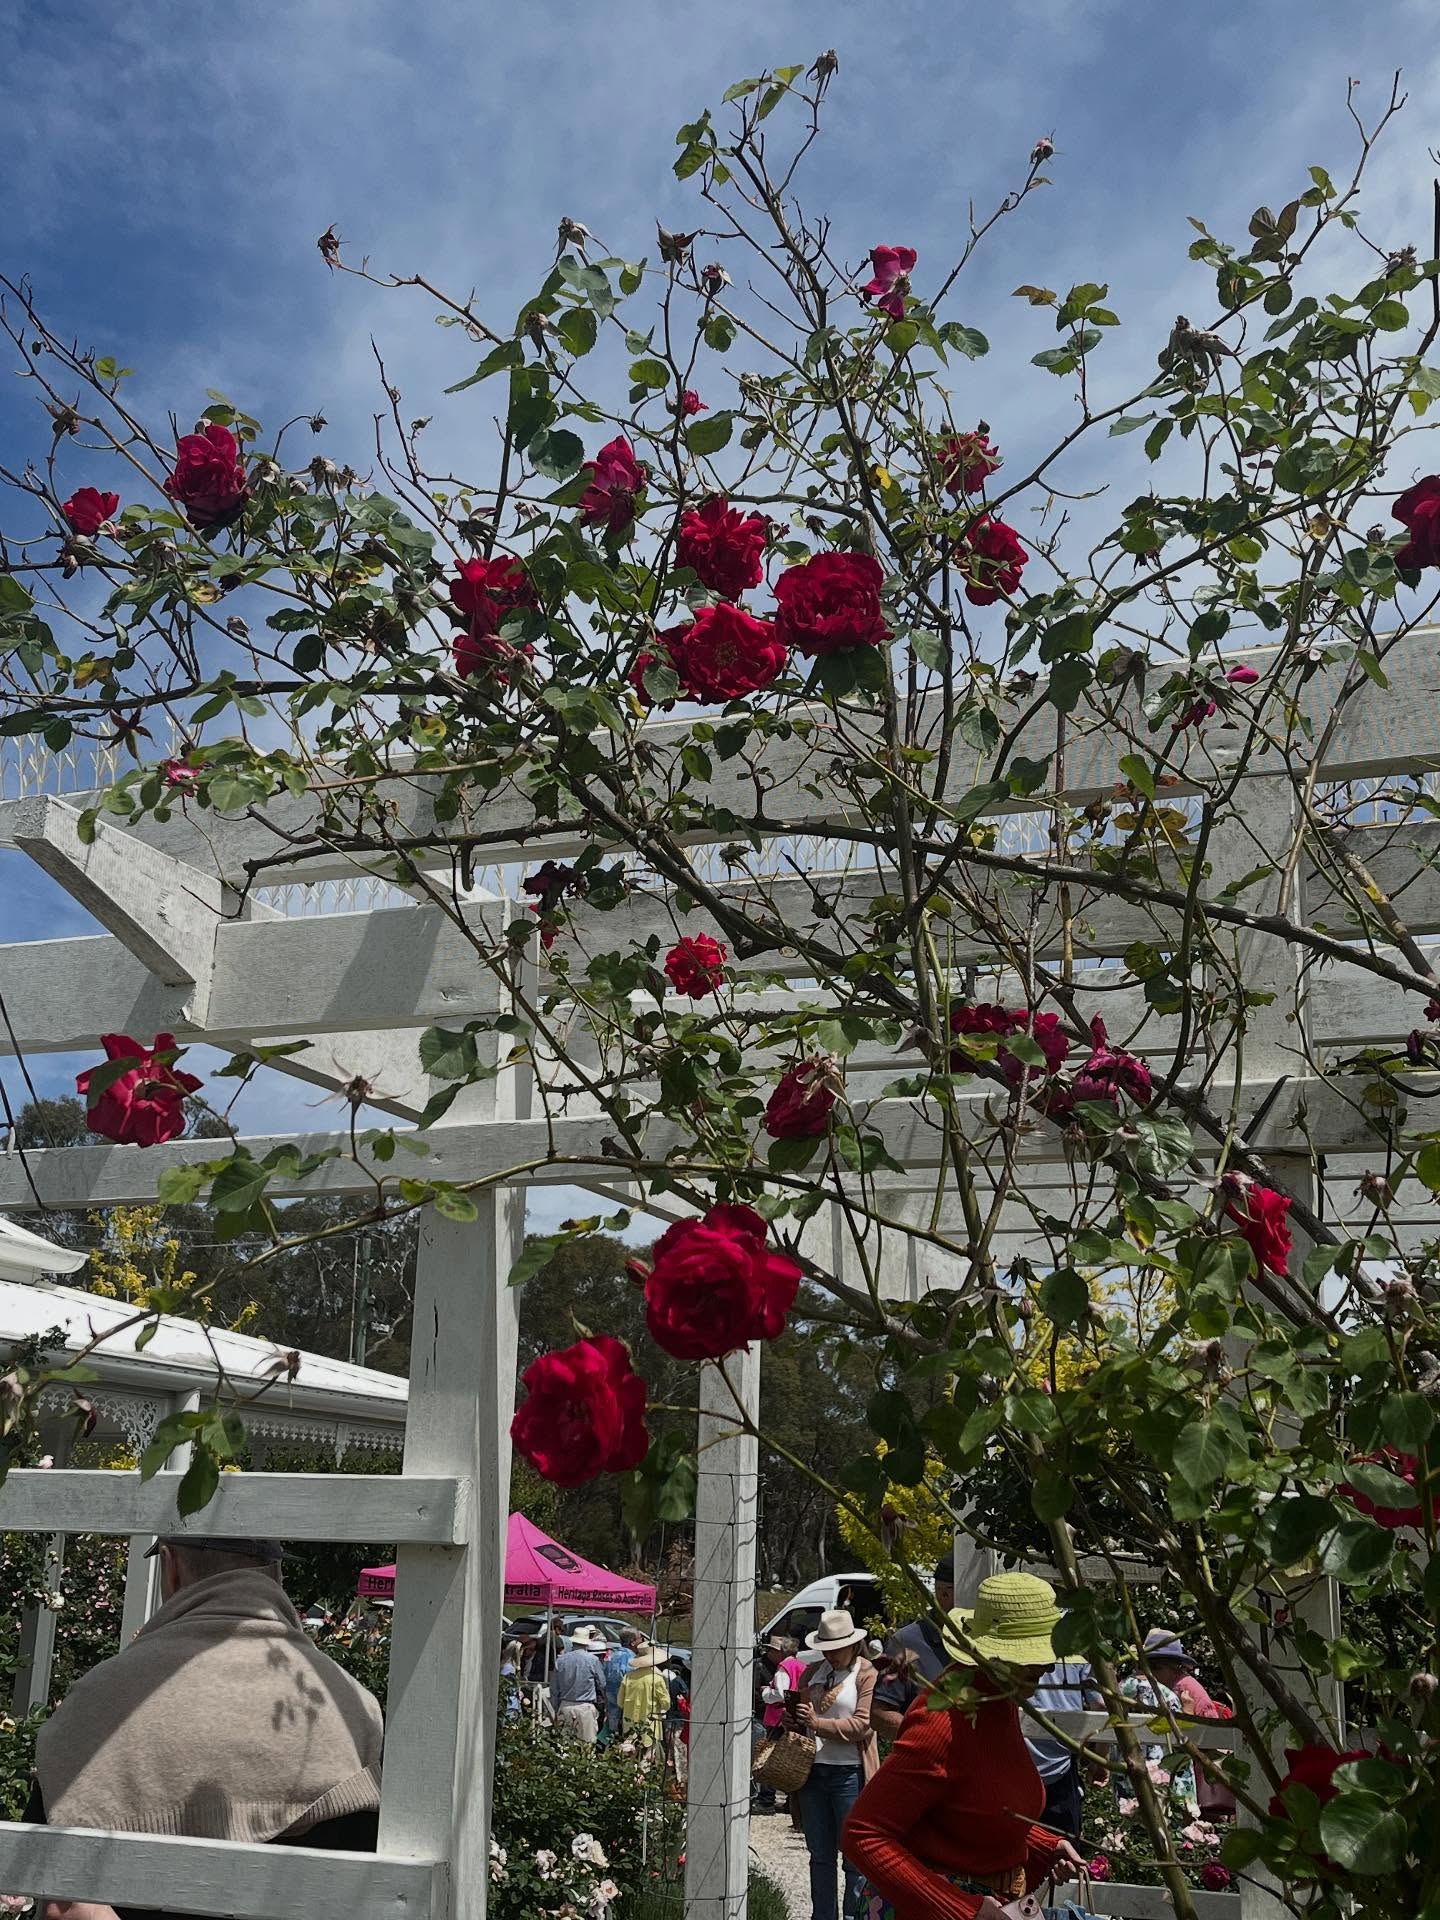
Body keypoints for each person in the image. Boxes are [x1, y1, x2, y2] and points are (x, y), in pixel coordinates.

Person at [25, 1535, 383, 1920]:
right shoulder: (351, 1705)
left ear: (171, 1566)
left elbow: (66, 1909)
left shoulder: (97, 1700)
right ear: (276, 1572)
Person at [842, 1572, 1086, 1920]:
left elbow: (975, 1810)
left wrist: (1045, 1846)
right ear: (996, 1652)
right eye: (1035, 1654)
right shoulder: (943, 1720)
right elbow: (863, 1833)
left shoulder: (996, 1700)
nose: (1047, 1665)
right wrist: (964, 1910)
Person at [787, 1609, 878, 1920]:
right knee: (819, 1855)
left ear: (852, 1644)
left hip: (851, 1773)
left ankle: (855, 1916)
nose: (832, 1654)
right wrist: (795, 1720)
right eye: (827, 1648)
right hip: (812, 1771)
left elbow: (863, 1725)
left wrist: (818, 1723)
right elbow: (805, 1722)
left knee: (855, 1857)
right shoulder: (811, 1674)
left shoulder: (867, 1674)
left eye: (837, 1647)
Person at [1139, 1628, 1233, 1816]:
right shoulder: (1165, 1686)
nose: (1151, 1674)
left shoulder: (1184, 1687)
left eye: (1157, 1668)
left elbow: (1206, 1727)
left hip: (1201, 1753)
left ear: (1175, 1667)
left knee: (1196, 1809)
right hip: (1187, 1755)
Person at [871, 1553, 954, 1741]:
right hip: (927, 1765)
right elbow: (879, 1714)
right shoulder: (905, 1643)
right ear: (943, 1593)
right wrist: (928, 1739)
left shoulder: (981, 1640)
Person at [1120, 1631, 1197, 1813]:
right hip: (1161, 1783)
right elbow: (1181, 1744)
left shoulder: (1118, 1690)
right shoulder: (1166, 1697)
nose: (1179, 1675)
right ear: (1160, 1666)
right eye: (1177, 1668)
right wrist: (1188, 1711)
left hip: (1126, 1778)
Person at [1024, 1658, 1099, 1840]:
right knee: (1063, 1848)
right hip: (1061, 1765)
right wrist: (1099, 1760)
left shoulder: (1011, 1642)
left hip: (1018, 1760)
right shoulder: (1077, 1647)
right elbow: (1100, 1705)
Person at [551, 1624, 608, 1744]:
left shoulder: (560, 1660)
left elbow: (554, 1689)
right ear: (587, 1643)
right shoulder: (592, 1660)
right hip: (585, 1707)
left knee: (564, 1745)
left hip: (565, 1704)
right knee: (587, 1744)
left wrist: (556, 1708)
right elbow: (602, 1684)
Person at [617, 1641, 671, 1755]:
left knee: (630, 1761)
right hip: (651, 1727)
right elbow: (666, 1704)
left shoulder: (628, 1677)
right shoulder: (656, 1679)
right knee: (647, 1761)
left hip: (630, 1727)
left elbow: (620, 1702)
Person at [606, 1627, 642, 1737]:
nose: (641, 1641)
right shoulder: (632, 1660)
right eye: (640, 1638)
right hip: (626, 1710)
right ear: (633, 1642)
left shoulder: (612, 1656)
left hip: (611, 1708)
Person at [500, 1637, 524, 1717]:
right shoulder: (509, 1668)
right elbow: (508, 1686)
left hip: (511, 1704)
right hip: (510, 1704)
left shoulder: (508, 1667)